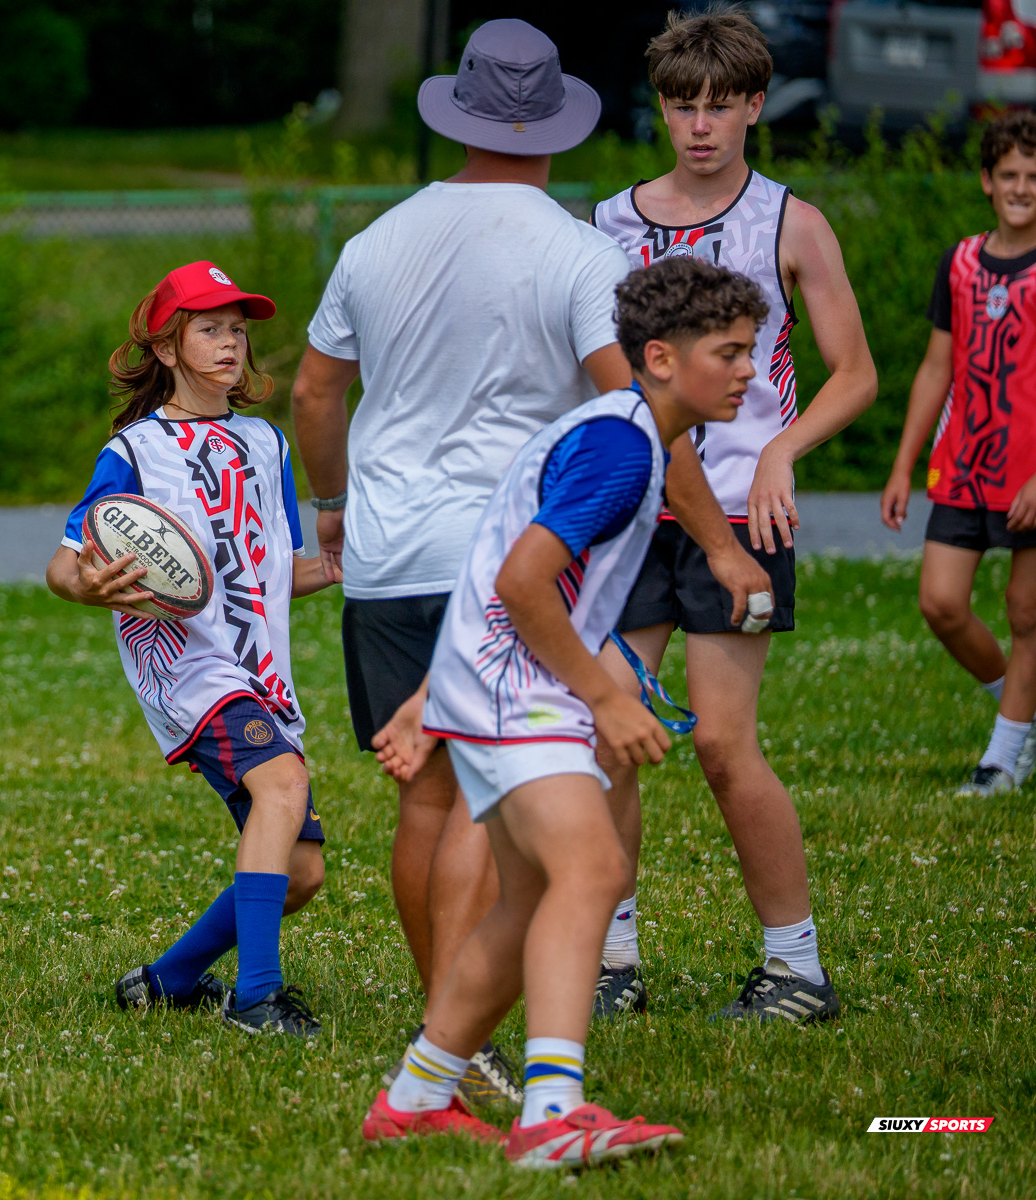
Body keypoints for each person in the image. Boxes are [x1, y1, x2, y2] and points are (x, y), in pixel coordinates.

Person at [290, 17, 770, 1095]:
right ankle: (460, 1047)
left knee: (425, 800)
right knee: (483, 797)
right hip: (513, 557)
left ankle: (446, 1032)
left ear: (458, 116)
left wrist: (334, 507)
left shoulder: (376, 242)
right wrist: (721, 545)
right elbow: (639, 411)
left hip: (389, 552)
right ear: (555, 128)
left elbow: (317, 392)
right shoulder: (579, 254)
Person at [361, 256, 763, 1168]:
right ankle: (550, 1114)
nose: (748, 371)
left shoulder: (623, 434)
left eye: (750, 350)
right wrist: (606, 696)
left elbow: (497, 562)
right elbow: (519, 579)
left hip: (495, 685)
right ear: (660, 358)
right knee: (592, 869)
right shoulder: (623, 448)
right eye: (729, 352)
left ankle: (414, 1100)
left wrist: (435, 693)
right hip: (516, 691)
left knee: (533, 897)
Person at [589, 7, 876, 1022]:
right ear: (660, 109)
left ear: (756, 105)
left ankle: (796, 968)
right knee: (605, 731)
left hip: (742, 522)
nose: (700, 125)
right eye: (682, 105)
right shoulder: (607, 224)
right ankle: (611, 961)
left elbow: (855, 373)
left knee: (720, 745)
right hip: (631, 515)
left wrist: (783, 453)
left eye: (719, 105)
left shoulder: (792, 221)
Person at [46, 260, 340, 1037]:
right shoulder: (137, 451)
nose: (230, 343)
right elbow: (64, 564)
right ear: (167, 348)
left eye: (237, 330)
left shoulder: (266, 444)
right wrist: (88, 586)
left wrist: (347, 565)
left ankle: (167, 981)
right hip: (188, 670)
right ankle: (257, 997)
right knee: (282, 784)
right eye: (209, 329)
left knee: (300, 873)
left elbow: (277, 571)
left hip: (258, 672)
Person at [883, 110, 1036, 796]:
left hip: (1031, 473)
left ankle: (1003, 758)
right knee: (941, 603)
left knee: (1027, 611)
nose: (1022, 187)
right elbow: (936, 367)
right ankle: (1022, 711)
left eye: (1034, 175)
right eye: (1010, 174)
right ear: (986, 181)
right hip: (967, 465)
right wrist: (903, 464)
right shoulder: (962, 262)